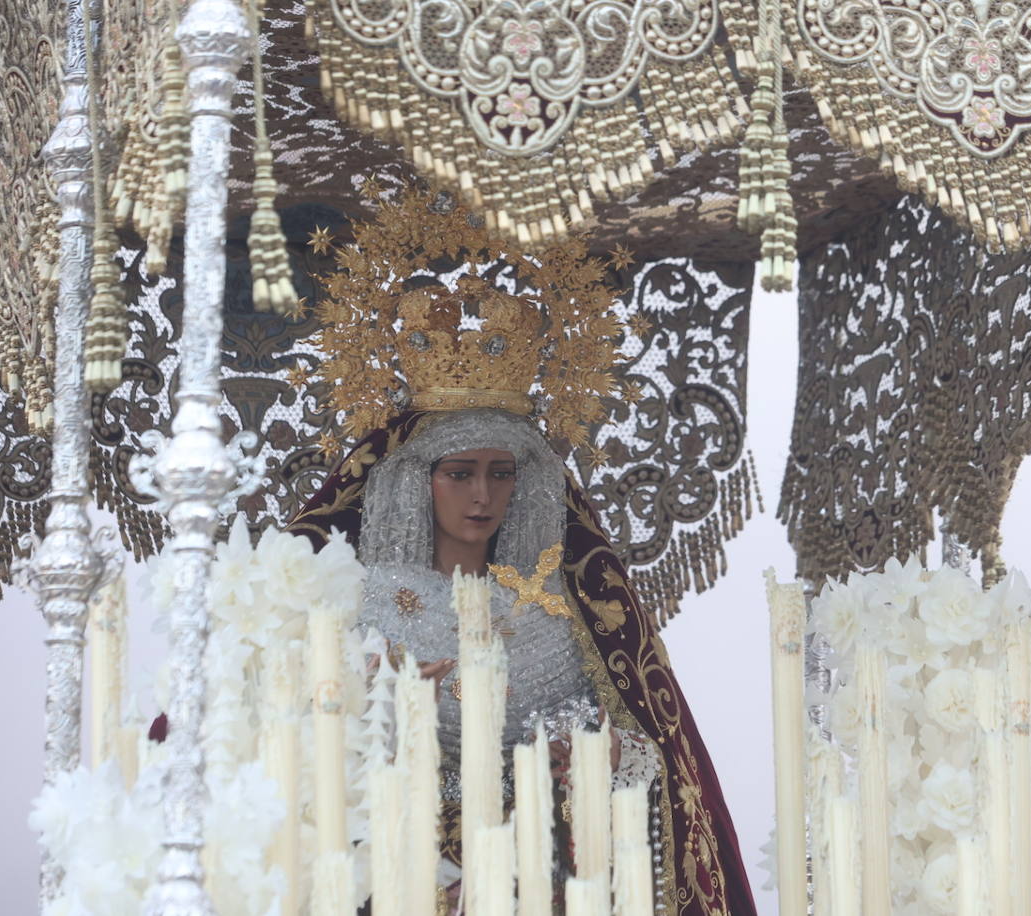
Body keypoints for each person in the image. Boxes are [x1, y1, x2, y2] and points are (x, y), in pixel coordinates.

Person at [283, 190, 757, 916]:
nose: (482, 496)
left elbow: (642, 754)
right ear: (417, 481)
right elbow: (308, 753)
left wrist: (599, 760)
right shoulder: (365, 604)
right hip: (400, 878)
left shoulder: (557, 613)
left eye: (500, 474)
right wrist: (379, 705)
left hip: (538, 882)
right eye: (460, 474)